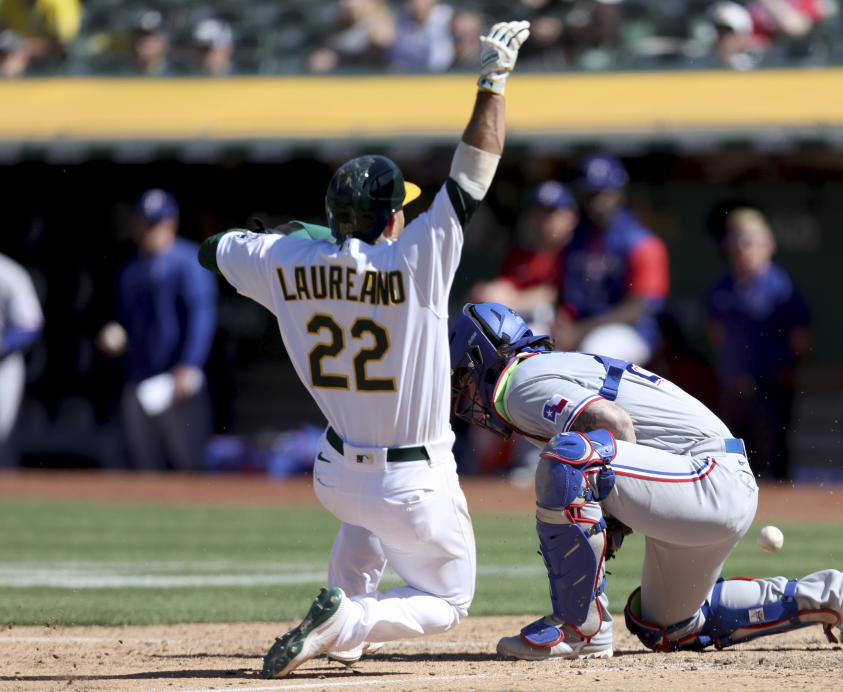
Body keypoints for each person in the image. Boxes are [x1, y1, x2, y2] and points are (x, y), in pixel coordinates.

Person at [197, 20, 530, 679]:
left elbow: (215, 250)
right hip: (412, 479)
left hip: (335, 475)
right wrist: (492, 83)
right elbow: (472, 176)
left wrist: (317, 236)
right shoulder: (414, 256)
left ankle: (344, 615)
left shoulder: (283, 258)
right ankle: (348, 620)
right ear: (392, 220)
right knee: (450, 598)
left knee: (366, 521)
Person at [449, 301, 843, 660]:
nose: (466, 397)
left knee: (568, 457)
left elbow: (608, 421)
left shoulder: (517, 380)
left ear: (483, 357)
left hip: (707, 479)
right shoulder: (549, 366)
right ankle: (835, 595)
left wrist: (610, 511)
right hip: (707, 485)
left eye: (464, 380)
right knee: (667, 626)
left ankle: (579, 629)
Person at [97, 189, 217, 471]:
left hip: (177, 377)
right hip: (140, 378)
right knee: (145, 462)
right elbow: (128, 321)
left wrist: (189, 364)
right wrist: (115, 335)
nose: (149, 230)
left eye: (155, 223)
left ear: (171, 223)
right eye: (144, 223)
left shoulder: (188, 261)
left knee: (189, 460)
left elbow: (202, 315)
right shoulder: (131, 270)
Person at [706, 207, 811, 481]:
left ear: (769, 244)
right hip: (732, 389)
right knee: (733, 458)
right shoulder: (722, 289)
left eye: (750, 240)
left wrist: (783, 375)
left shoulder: (781, 288)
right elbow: (716, 335)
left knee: (773, 459)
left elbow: (800, 341)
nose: (744, 248)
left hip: (771, 387)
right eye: (738, 240)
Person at [553, 153, 669, 366]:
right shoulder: (574, 240)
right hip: (580, 327)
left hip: (631, 332)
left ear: (618, 193)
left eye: (602, 193)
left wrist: (580, 330)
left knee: (595, 352)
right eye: (589, 194)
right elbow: (560, 292)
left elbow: (638, 308)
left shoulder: (643, 242)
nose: (596, 201)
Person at [470, 180, 578, 335]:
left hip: (570, 328)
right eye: (539, 211)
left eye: (551, 212)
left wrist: (510, 302)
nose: (542, 219)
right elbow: (504, 286)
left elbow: (553, 295)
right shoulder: (521, 255)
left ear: (571, 216)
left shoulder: (577, 252)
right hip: (526, 322)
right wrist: (487, 293)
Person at [0, 252, 44, 467]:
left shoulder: (8, 272)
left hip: (3, 369)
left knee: (2, 442)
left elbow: (31, 324)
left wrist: (4, 343)